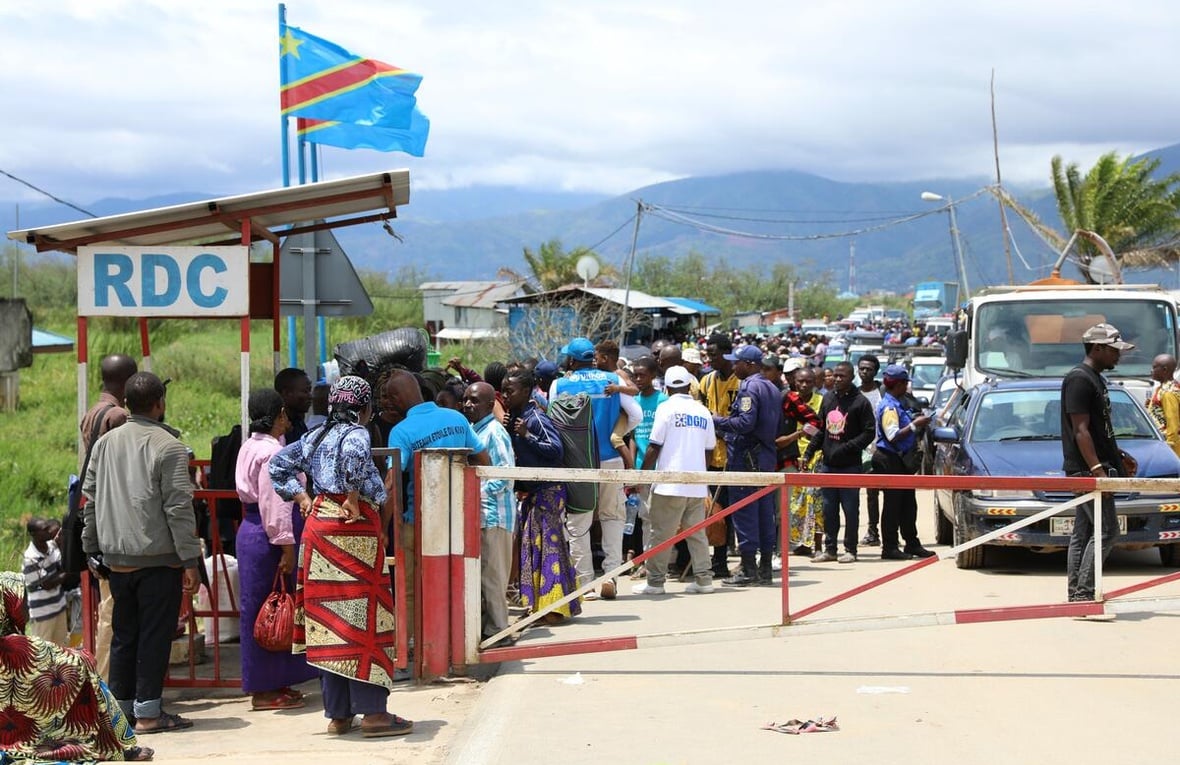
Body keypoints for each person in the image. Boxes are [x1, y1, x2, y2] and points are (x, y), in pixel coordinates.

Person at [268, 375, 413, 738]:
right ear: (364, 408)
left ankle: (339, 714)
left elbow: (277, 467)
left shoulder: (314, 435)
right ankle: (375, 715)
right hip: (353, 528)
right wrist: (351, 494)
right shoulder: (357, 433)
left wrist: (301, 498)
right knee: (364, 620)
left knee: (328, 621)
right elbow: (353, 458)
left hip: (318, 529)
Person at [81, 371, 201, 734]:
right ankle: (149, 714)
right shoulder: (169, 447)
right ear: (160, 404)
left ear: (127, 403)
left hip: (117, 560)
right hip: (158, 560)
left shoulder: (105, 444)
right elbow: (178, 508)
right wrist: (190, 560)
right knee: (153, 637)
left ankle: (121, 716)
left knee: (124, 636)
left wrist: (91, 548)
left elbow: (90, 501)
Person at [0, 572, 154, 763]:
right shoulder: (15, 646)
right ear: (8, 604)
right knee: (90, 679)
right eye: (22, 601)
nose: (26, 608)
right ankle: (120, 745)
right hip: (22, 731)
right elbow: (76, 662)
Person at [384, 369, 490, 640]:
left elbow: (392, 482)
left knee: (411, 589)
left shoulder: (401, 432)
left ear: (396, 398)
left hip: (417, 524)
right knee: (455, 582)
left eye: (387, 398)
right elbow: (484, 461)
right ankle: (457, 642)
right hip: (456, 519)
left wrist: (383, 526)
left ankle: (412, 647)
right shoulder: (455, 418)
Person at [234, 389, 317, 711]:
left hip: (254, 532)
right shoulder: (272, 453)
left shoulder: (250, 445)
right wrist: (286, 546)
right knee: (269, 608)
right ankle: (264, 689)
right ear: (280, 414)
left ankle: (275, 681)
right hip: (270, 536)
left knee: (267, 606)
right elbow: (276, 502)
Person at [550, 337, 641, 601]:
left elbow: (554, 419)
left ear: (570, 360)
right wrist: (617, 433)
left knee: (579, 522)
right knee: (612, 517)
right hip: (610, 458)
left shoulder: (559, 384)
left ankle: (585, 584)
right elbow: (635, 415)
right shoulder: (611, 380)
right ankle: (610, 576)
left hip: (577, 463)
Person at [502, 368, 581, 623]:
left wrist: (527, 435)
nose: (505, 395)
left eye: (510, 391)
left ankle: (555, 608)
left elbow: (555, 450)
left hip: (549, 492)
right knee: (534, 548)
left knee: (549, 549)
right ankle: (541, 606)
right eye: (503, 391)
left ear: (526, 392)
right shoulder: (517, 416)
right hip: (534, 492)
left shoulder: (535, 417)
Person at [1061, 324, 1132, 603]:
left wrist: (1119, 455)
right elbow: (1081, 430)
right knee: (1107, 531)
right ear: (1097, 348)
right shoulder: (1079, 379)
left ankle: (1077, 593)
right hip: (1085, 470)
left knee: (1084, 531)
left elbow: (1099, 429)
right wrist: (1097, 471)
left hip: (1094, 465)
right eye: (1114, 350)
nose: (1118, 356)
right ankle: (1084, 593)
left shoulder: (1095, 379)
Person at [632, 366, 717, 596]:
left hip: (669, 483)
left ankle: (656, 582)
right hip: (696, 483)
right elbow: (709, 450)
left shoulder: (666, 408)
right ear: (689, 386)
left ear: (667, 388)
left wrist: (641, 475)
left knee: (660, 533)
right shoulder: (702, 411)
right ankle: (704, 579)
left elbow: (654, 446)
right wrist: (701, 475)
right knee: (697, 533)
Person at [79, 352, 137, 679]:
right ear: (127, 381)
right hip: (112, 520)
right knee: (113, 610)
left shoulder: (93, 412)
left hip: (97, 515)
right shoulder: (117, 416)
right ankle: (104, 682)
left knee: (109, 607)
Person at [712, 344, 782, 586]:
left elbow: (745, 423)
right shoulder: (772, 388)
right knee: (764, 513)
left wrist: (717, 421)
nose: (733, 366)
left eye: (737, 362)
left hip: (746, 459)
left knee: (745, 514)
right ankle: (764, 570)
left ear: (749, 364)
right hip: (764, 458)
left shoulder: (750, 387)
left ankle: (749, 570)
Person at [461, 382, 517, 645]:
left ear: (488, 404)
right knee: (483, 576)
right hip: (480, 514)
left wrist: (477, 491)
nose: (468, 405)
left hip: (494, 515)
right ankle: (487, 630)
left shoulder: (495, 432)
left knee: (494, 577)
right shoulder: (473, 431)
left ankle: (499, 630)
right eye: (465, 400)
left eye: (474, 401)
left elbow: (505, 475)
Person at [803, 361, 875, 564]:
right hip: (828, 465)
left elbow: (869, 432)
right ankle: (830, 549)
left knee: (850, 509)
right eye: (834, 375)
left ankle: (850, 549)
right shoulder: (828, 399)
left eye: (842, 376)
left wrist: (848, 447)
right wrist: (809, 453)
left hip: (850, 466)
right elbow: (821, 430)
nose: (837, 379)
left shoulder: (860, 402)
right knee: (828, 509)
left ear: (852, 378)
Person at [871, 365, 936, 560]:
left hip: (901, 460)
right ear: (898, 385)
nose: (906, 387)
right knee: (892, 505)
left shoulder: (898, 403)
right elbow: (892, 435)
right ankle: (889, 547)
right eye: (905, 383)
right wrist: (915, 425)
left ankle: (912, 543)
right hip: (890, 459)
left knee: (908, 503)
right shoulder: (889, 406)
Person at [698, 333, 742, 577]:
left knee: (738, 511)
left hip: (736, 457)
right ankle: (720, 561)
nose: (709, 359)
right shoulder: (706, 382)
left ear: (726, 353)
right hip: (713, 457)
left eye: (713, 355)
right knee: (717, 511)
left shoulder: (741, 381)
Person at [788, 367, 826, 555]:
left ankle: (818, 545)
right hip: (792, 458)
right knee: (796, 504)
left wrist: (808, 430)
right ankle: (801, 543)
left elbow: (822, 429)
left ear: (815, 383)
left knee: (816, 503)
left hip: (815, 458)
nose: (804, 385)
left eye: (808, 382)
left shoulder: (822, 402)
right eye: (800, 381)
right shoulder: (787, 401)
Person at [21, 517, 68, 645]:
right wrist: (68, 572)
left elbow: (62, 567)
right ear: (34, 534)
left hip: (59, 607)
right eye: (45, 529)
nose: (49, 531)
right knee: (44, 655)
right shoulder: (30, 558)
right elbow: (47, 584)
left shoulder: (51, 547)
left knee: (61, 651)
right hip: (43, 614)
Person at [857, 354, 884, 547]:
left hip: (880, 450)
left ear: (876, 372)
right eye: (862, 369)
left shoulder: (882, 393)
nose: (865, 372)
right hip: (857, 450)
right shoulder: (855, 394)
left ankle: (874, 531)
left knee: (874, 492)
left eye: (869, 369)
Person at [1147, 354, 1180, 457]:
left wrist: (1170, 448)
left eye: (1154, 367)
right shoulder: (1164, 388)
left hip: (1169, 447)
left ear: (1165, 370)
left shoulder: (1168, 393)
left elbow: (1173, 425)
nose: (1151, 371)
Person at [274, 367, 313, 443]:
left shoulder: (298, 423)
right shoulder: (275, 431)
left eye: (310, 390)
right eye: (305, 391)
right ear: (286, 393)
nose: (310, 396)